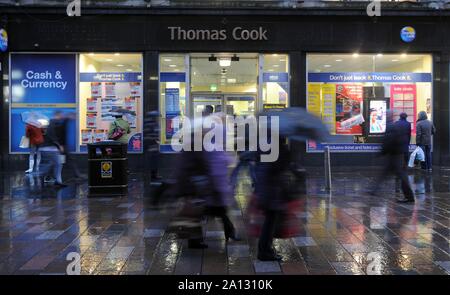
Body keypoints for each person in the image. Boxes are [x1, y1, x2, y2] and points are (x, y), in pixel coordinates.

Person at [254, 136, 292, 261]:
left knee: (270, 220)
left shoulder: (266, 143)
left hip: (266, 188)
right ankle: (264, 251)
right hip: (271, 190)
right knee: (270, 221)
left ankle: (266, 249)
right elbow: (277, 168)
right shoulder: (278, 147)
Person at [371, 111, 414, 203]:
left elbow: (388, 141)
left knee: (401, 176)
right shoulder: (398, 125)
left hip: (395, 155)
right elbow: (407, 136)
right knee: (385, 173)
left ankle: (410, 197)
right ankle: (373, 190)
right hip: (397, 153)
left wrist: (382, 152)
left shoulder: (392, 126)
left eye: (387, 115)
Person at [39, 114, 66, 187]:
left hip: (43, 149)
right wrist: (59, 145)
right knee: (58, 164)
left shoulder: (42, 129)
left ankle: (45, 177)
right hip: (51, 149)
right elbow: (53, 137)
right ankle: (57, 181)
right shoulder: (50, 127)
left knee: (51, 163)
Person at [143, 111, 161, 182]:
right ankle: (153, 175)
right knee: (154, 160)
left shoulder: (147, 122)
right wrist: (155, 139)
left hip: (150, 144)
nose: (157, 118)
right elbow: (152, 134)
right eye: (156, 117)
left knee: (152, 160)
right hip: (152, 144)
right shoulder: (152, 123)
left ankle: (152, 175)